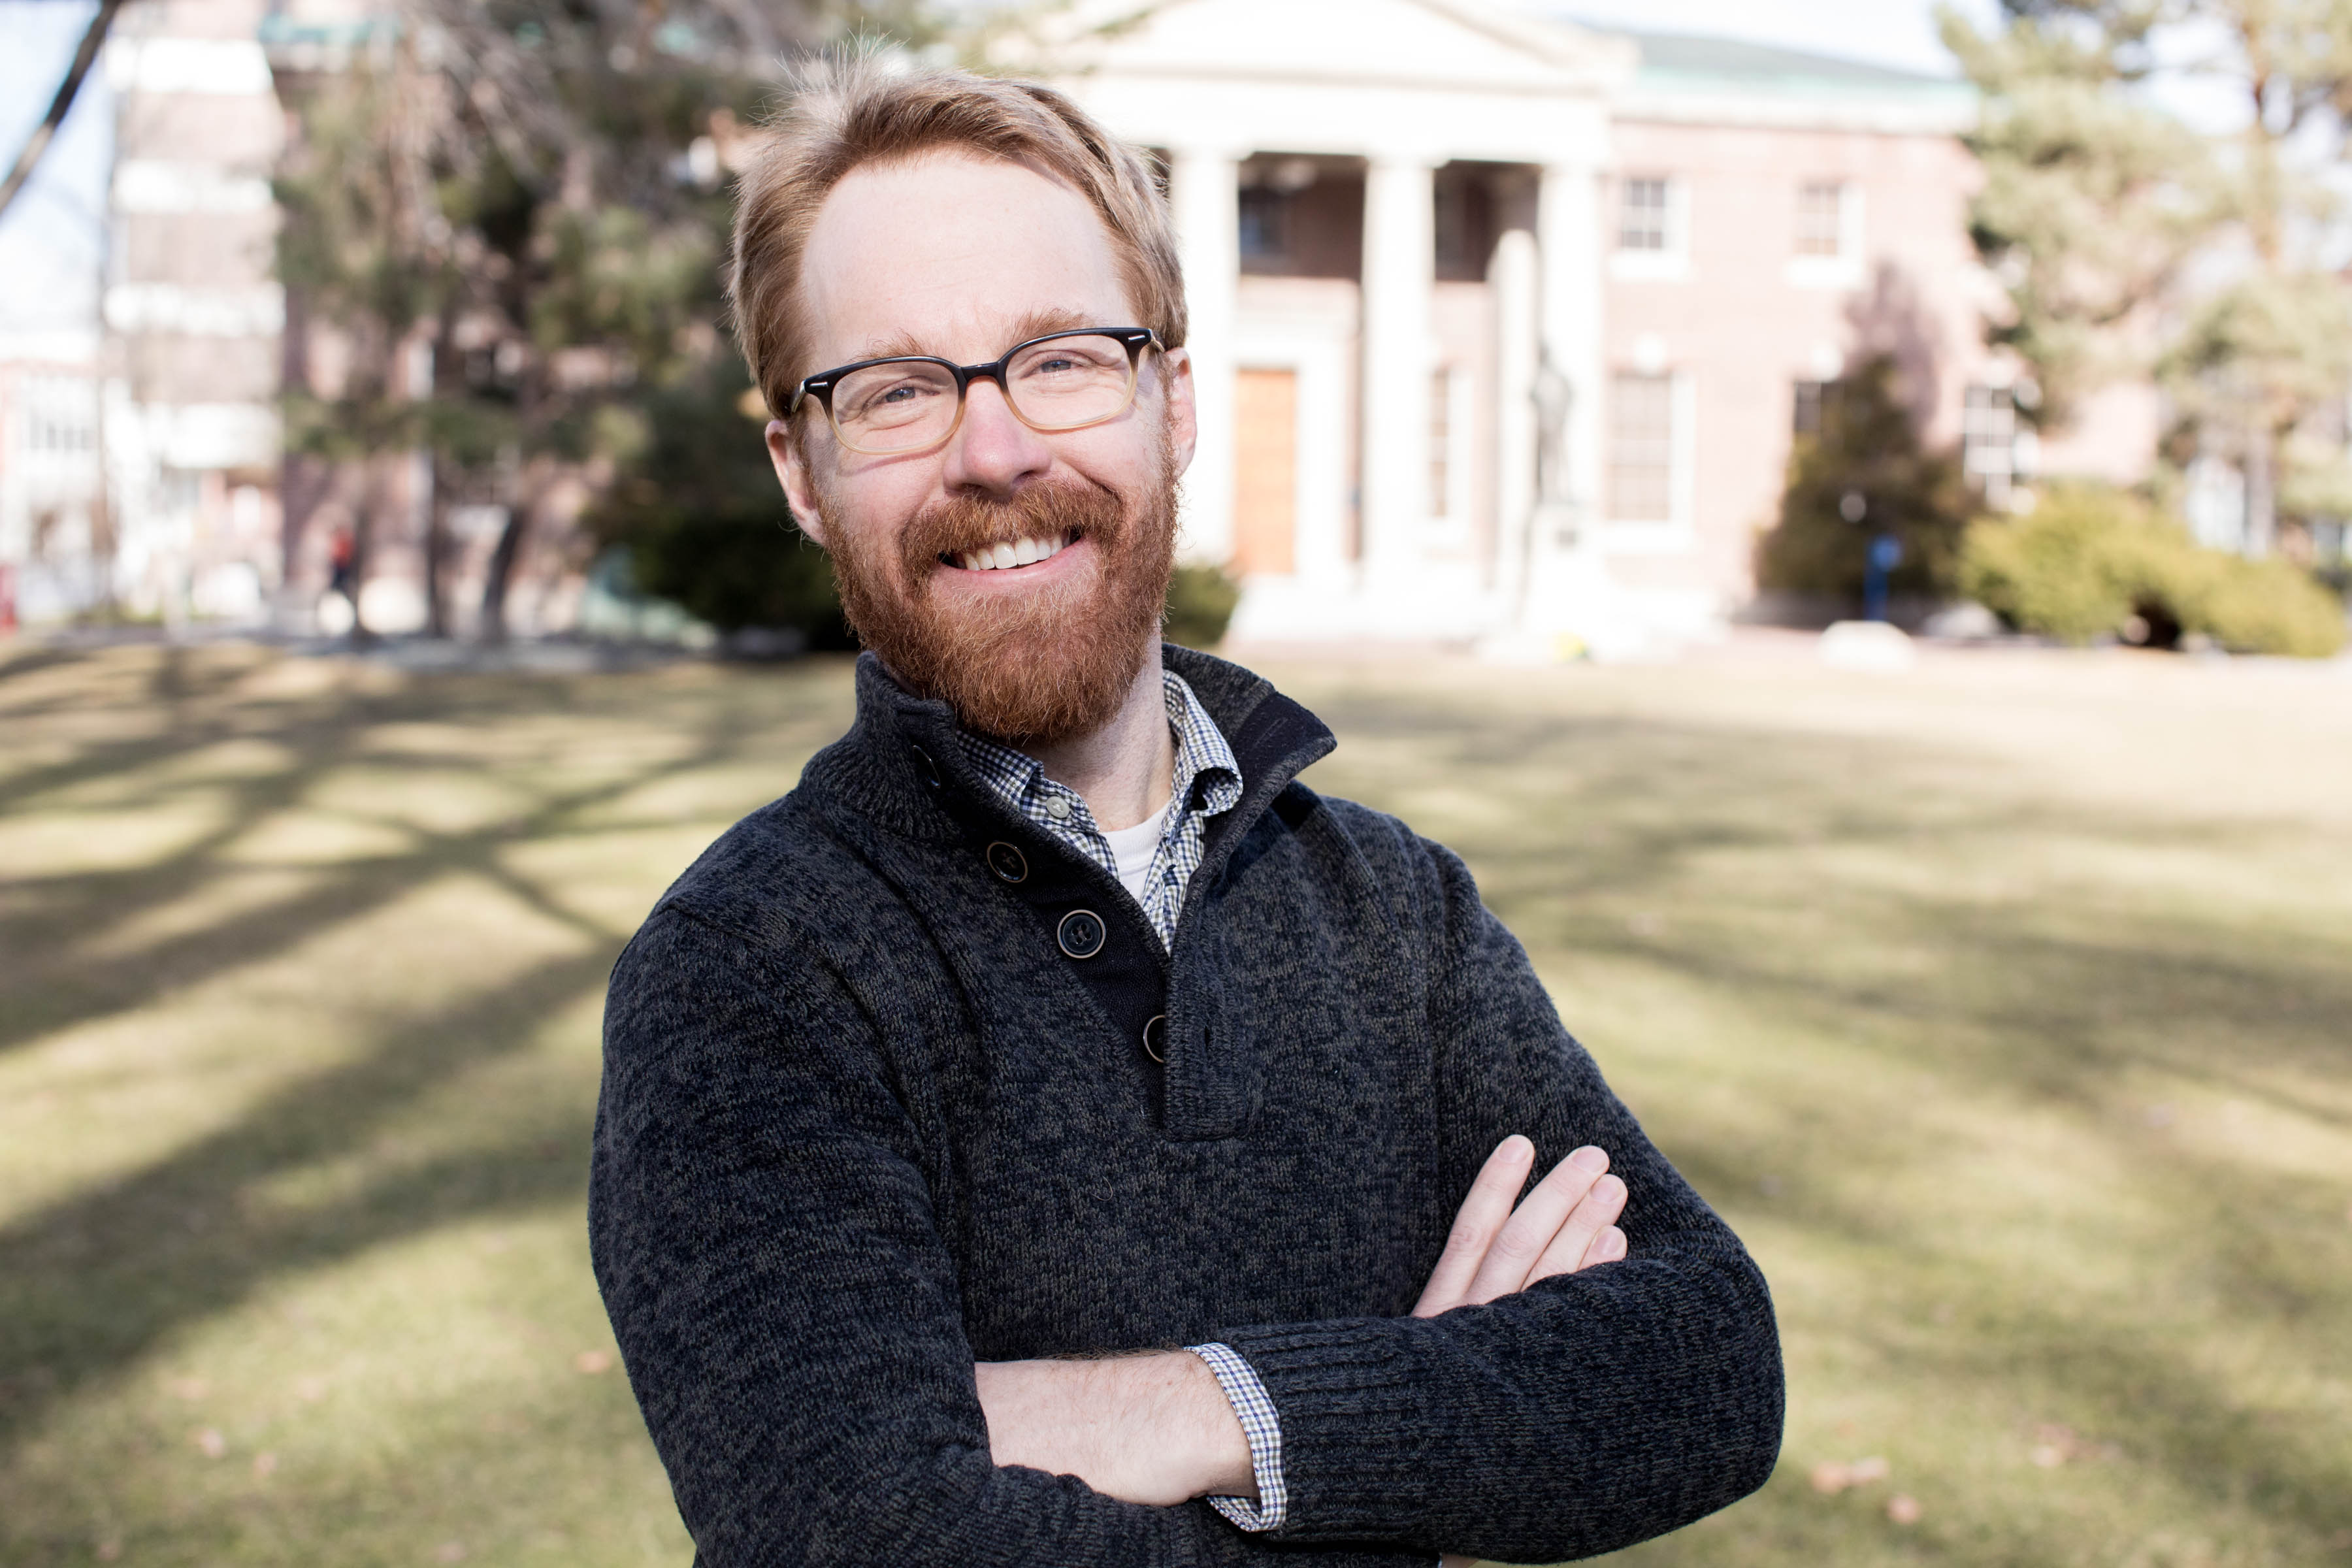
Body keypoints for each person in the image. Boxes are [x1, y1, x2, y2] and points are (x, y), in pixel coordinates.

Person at [589, 59, 1782, 1568]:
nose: (998, 449)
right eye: (892, 390)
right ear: (803, 472)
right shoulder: (751, 970)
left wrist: (1202, 1412)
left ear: (1177, 400)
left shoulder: (1397, 916)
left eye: (1064, 358)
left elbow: (1708, 1362)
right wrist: (1431, 1429)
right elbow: (861, 1538)